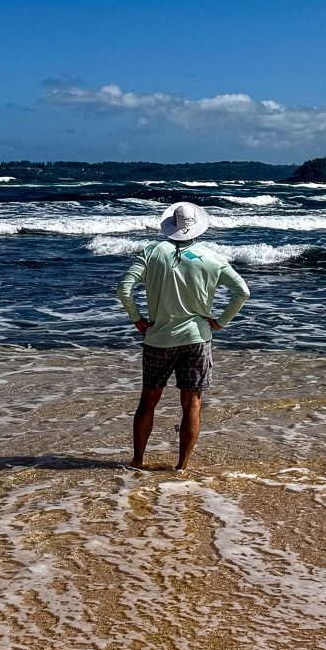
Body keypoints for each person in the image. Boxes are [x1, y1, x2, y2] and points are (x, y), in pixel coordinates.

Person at [116, 201, 250, 471]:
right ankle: (182, 466)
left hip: (158, 339)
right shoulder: (212, 257)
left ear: (170, 227)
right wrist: (221, 321)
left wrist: (137, 319)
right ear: (197, 227)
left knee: (148, 400)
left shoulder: (153, 252)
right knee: (192, 404)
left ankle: (138, 460)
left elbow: (124, 288)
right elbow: (242, 292)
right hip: (196, 339)